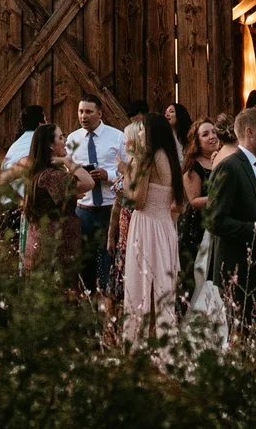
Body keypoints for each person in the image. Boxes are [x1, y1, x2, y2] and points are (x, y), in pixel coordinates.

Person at [206, 106, 256, 327]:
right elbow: (214, 220)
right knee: (242, 337)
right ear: (249, 132)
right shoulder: (230, 167)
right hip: (236, 267)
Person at [116, 112, 184, 333]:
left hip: (145, 226)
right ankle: (162, 341)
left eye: (143, 129)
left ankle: (141, 342)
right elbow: (177, 205)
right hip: (165, 227)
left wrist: (126, 173)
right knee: (162, 289)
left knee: (141, 286)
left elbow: (137, 201)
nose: (141, 133)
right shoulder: (171, 158)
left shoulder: (147, 158)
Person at [65, 95, 126, 295]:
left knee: (108, 262)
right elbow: (66, 173)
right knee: (85, 263)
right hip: (83, 210)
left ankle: (108, 306)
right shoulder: (72, 140)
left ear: (100, 113)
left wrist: (107, 174)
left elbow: (130, 173)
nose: (84, 116)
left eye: (89, 112)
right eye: (81, 111)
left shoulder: (116, 137)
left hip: (109, 209)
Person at [21, 122, 92, 274]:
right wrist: (68, 161)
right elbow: (88, 182)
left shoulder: (39, 171)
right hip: (55, 247)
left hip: (41, 241)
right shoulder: (52, 175)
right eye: (60, 137)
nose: (65, 140)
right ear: (50, 145)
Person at [181, 115, 227, 279]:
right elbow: (193, 201)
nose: (212, 136)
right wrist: (221, 198)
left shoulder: (225, 160)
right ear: (197, 141)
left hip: (220, 223)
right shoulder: (193, 167)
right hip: (198, 227)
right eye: (205, 134)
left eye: (214, 132)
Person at [0, 103, 47, 175]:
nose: (47, 123)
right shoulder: (42, 139)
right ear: (40, 124)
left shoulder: (15, 145)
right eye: (46, 120)